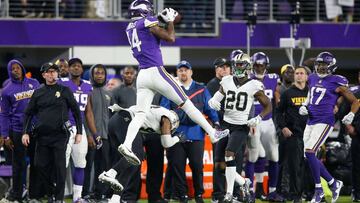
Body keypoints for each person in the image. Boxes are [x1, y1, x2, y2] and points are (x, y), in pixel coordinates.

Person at [118, 0, 229, 165]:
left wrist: (164, 19)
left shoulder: (130, 27)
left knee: (141, 114)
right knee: (187, 103)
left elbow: (153, 28)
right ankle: (212, 133)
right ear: (144, 11)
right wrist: (169, 20)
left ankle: (127, 144)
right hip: (156, 71)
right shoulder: (146, 21)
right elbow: (170, 37)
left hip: (142, 74)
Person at [208, 52, 272, 203]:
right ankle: (244, 182)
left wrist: (258, 117)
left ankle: (229, 194)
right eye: (235, 65)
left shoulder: (254, 85)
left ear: (247, 66)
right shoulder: (226, 80)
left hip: (241, 126)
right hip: (225, 125)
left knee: (229, 155)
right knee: (219, 163)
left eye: (240, 65)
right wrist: (213, 103)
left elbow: (268, 105)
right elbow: (214, 100)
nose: (237, 67)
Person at [298, 52, 359, 203]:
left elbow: (355, 101)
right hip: (311, 120)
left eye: (324, 65)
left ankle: (319, 190)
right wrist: (305, 106)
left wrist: (351, 114)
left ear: (331, 67)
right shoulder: (312, 77)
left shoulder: (337, 81)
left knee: (310, 151)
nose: (321, 68)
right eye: (319, 65)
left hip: (324, 120)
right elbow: (310, 96)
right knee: (307, 156)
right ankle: (333, 183)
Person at [21, 63, 82, 203]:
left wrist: (79, 132)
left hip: (60, 136)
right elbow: (28, 114)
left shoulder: (65, 90)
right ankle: (51, 192)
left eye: (54, 71)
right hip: (42, 136)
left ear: (57, 73)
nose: (51, 74)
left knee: (60, 167)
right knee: (39, 165)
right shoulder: (38, 92)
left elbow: (76, 112)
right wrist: (25, 133)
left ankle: (58, 199)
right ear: (43, 75)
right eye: (48, 72)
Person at [98, 105, 185, 201]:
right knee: (135, 155)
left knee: (133, 163)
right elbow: (166, 143)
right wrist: (178, 138)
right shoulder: (168, 118)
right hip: (124, 120)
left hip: (116, 121)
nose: (168, 131)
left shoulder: (157, 116)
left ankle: (116, 198)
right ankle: (110, 173)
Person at [161, 60, 219, 203]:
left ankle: (199, 194)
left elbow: (210, 108)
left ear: (191, 72)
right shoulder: (170, 90)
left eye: (186, 70)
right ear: (177, 73)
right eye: (180, 70)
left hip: (196, 134)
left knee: (197, 166)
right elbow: (164, 111)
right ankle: (182, 196)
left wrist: (216, 122)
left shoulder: (201, 89)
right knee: (177, 166)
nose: (183, 72)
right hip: (176, 135)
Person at [245, 52, 284, 202]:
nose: (259, 68)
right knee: (254, 155)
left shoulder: (274, 79)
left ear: (266, 66)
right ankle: (249, 190)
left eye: (262, 65)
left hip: (268, 121)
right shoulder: (248, 80)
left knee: (274, 156)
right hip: (254, 121)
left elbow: (278, 98)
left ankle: (272, 191)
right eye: (256, 65)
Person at [0, 59, 40, 203]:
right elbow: (3, 114)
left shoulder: (34, 83)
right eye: (12, 69)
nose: (15, 70)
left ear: (22, 68)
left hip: (35, 129)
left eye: (17, 68)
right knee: (19, 164)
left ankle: (34, 195)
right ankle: (17, 194)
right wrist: (5, 135)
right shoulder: (6, 90)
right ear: (9, 71)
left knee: (36, 163)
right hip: (16, 131)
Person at [58, 58, 93, 202]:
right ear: (69, 68)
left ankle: (77, 197)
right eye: (73, 66)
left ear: (82, 69)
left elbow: (88, 112)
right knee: (61, 164)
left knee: (80, 163)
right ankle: (58, 196)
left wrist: (94, 134)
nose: (76, 68)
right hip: (64, 128)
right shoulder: (62, 83)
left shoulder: (87, 85)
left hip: (80, 129)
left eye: (79, 66)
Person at [276, 66, 309, 202]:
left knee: (309, 165)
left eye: (302, 73)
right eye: (297, 73)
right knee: (294, 166)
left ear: (307, 76)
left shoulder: (312, 92)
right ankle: (296, 195)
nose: (299, 75)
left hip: (310, 134)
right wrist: (283, 127)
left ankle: (311, 192)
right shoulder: (288, 93)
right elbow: (278, 112)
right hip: (294, 134)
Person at [82, 64, 112, 201]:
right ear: (92, 75)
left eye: (102, 73)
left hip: (105, 137)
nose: (99, 75)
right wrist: (89, 134)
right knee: (88, 166)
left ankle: (99, 194)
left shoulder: (108, 93)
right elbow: (85, 115)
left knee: (103, 166)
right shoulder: (88, 91)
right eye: (97, 73)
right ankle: (85, 194)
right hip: (91, 137)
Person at [206, 57, 231, 202]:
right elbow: (210, 109)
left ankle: (232, 193)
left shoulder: (233, 83)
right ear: (216, 69)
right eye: (221, 67)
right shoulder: (212, 85)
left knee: (234, 161)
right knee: (219, 162)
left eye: (227, 66)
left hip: (233, 127)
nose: (225, 69)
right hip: (220, 126)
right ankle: (218, 195)